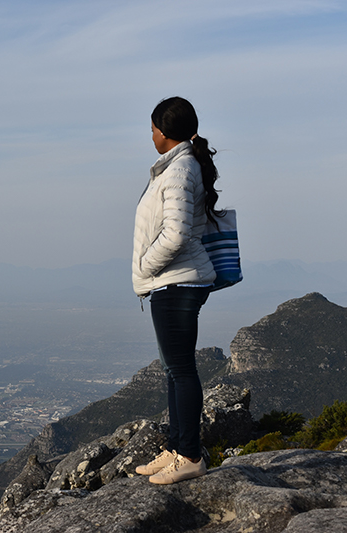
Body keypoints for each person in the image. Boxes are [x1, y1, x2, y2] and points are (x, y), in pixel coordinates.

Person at [131, 96, 223, 485]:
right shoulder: (177, 167)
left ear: (165, 132)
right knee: (173, 370)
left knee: (181, 371)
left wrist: (144, 267)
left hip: (177, 281)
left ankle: (189, 456)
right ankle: (176, 447)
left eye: (152, 128)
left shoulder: (180, 170)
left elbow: (177, 233)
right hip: (173, 280)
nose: (150, 135)